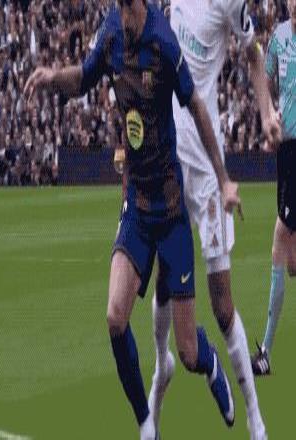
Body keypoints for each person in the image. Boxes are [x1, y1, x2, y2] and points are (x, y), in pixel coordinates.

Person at [25, 1, 241, 438]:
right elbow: (83, 78)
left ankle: (210, 361)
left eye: (128, 7)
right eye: (118, 7)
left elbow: (197, 107)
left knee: (188, 353)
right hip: (137, 208)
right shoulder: (111, 31)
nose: (123, 16)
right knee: (114, 317)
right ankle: (146, 423)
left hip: (172, 210)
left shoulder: (163, 42)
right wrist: (52, 77)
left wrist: (223, 179)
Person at [147, 1, 282, 438]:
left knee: (223, 306)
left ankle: (256, 419)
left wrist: (266, 112)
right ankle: (160, 370)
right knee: (164, 278)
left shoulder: (230, 4)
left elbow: (254, 53)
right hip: (167, 159)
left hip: (207, 170)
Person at [252, 0, 296, 376]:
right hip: (287, 150)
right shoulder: (279, 38)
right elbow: (266, 81)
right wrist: (269, 114)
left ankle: (265, 351)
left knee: (280, 240)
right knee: (291, 258)